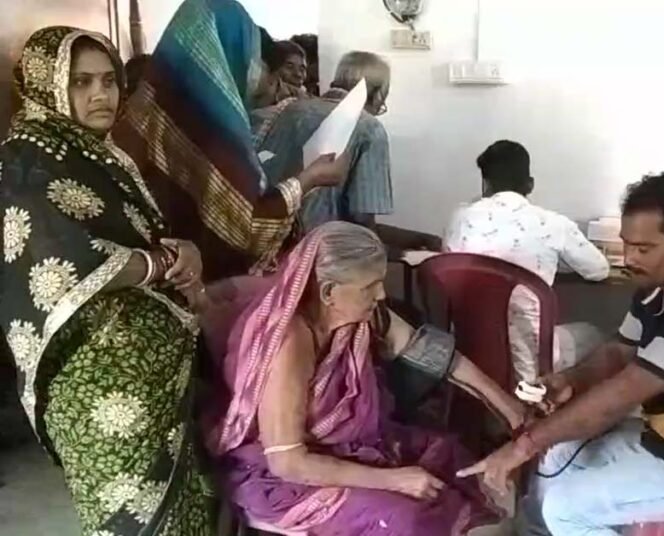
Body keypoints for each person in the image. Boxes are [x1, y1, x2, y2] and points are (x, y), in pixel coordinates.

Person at [458, 173, 664, 535]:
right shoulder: (656, 290)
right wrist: (569, 380)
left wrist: (523, 445)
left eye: (644, 249)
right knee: (557, 458)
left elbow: (622, 394)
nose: (629, 258)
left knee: (565, 509)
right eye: (627, 245)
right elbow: (618, 352)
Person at [1, 26, 214, 534]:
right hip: (98, 384)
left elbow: (145, 238)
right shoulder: (23, 161)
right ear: (46, 85)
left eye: (108, 80)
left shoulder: (99, 154)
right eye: (80, 82)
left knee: (180, 513)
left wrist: (182, 255)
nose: (100, 94)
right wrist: (161, 263)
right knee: (127, 518)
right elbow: (59, 263)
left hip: (155, 377)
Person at [204, 222, 524, 534]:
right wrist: (395, 480)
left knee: (451, 460)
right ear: (329, 292)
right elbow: (288, 463)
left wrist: (508, 407)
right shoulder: (288, 343)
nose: (381, 294)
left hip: (349, 446)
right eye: (370, 286)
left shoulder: (355, 316)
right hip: (287, 476)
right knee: (408, 519)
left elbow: (431, 352)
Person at [114, 0, 349, 281]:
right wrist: (308, 179)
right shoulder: (212, 125)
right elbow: (246, 227)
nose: (267, 83)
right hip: (184, 282)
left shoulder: (142, 109)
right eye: (263, 69)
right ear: (234, 58)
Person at [444, 141, 610, 381]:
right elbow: (599, 270)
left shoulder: (460, 217)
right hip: (529, 360)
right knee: (594, 334)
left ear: (485, 183)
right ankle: (561, 397)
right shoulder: (553, 224)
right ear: (529, 184)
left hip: (468, 352)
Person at [251, 50, 442, 252]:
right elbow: (362, 223)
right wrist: (410, 250)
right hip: (316, 256)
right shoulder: (368, 128)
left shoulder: (282, 110)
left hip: (258, 245)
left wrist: (417, 239)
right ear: (378, 94)